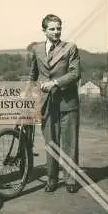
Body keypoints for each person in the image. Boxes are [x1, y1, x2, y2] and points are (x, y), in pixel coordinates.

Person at [28, 14, 81, 193]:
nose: (56, 31)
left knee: (69, 142)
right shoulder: (36, 49)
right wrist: (28, 93)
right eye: (52, 28)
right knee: (51, 141)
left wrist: (56, 83)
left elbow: (75, 74)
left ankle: (70, 180)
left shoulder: (70, 48)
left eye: (59, 27)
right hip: (45, 103)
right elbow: (33, 74)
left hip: (68, 102)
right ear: (44, 30)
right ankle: (51, 179)